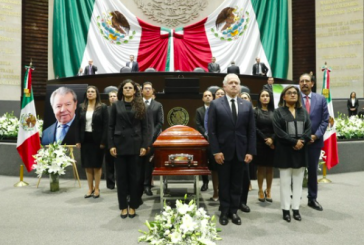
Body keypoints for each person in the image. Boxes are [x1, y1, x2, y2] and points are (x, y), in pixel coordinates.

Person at [208, 73, 256, 226]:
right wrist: (215, 151)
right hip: (222, 152)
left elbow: (251, 131)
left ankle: (234, 211)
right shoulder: (216, 104)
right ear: (225, 86)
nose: (234, 85)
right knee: (224, 183)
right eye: (231, 83)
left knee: (237, 183)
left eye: (236, 83)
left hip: (241, 152)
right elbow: (212, 131)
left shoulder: (247, 105)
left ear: (239, 86)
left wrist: (250, 151)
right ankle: (224, 210)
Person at [108, 79, 148, 219]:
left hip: (136, 146)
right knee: (121, 178)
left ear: (135, 90)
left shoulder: (141, 105)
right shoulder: (115, 105)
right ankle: (123, 206)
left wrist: (145, 146)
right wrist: (111, 145)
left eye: (130, 88)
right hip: (119, 145)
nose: (128, 90)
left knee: (135, 178)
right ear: (122, 90)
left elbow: (146, 128)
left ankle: (133, 206)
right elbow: (110, 127)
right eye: (125, 88)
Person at [272, 85, 311, 222]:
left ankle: (296, 209)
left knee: (298, 182)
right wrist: (294, 142)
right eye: (290, 93)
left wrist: (301, 141)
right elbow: (278, 132)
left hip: (300, 151)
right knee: (285, 182)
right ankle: (285, 210)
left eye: (295, 93)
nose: (293, 95)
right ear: (284, 96)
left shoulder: (303, 111)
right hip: (284, 151)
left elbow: (308, 129)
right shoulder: (278, 112)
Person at [299, 73, 329, 211]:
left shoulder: (321, 99)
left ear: (312, 83)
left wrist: (316, 136)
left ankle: (312, 199)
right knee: (296, 171)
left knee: (312, 171)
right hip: (297, 142)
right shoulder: (293, 97)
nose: (304, 83)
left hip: (314, 142)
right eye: (302, 81)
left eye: (307, 81)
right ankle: (294, 200)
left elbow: (325, 120)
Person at [76, 86, 108, 199]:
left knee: (97, 165)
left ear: (97, 94)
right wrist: (78, 140)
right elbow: (78, 125)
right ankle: (90, 188)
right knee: (87, 165)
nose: (90, 93)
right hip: (85, 139)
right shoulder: (81, 107)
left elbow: (106, 125)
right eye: (88, 92)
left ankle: (97, 188)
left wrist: (104, 141)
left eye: (92, 91)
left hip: (98, 140)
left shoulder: (103, 107)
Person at [141, 81, 164, 196]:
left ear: (153, 91)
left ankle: (147, 185)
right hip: (138, 138)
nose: (147, 90)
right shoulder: (137, 104)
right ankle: (138, 186)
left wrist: (152, 135)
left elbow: (160, 122)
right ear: (141, 91)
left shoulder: (157, 105)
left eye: (149, 88)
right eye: (145, 88)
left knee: (148, 164)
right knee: (138, 163)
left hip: (153, 139)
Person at [252, 90, 275, 203]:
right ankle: (260, 190)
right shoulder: (255, 111)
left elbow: (278, 128)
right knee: (261, 167)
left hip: (272, 143)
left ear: (270, 98)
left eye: (267, 96)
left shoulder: (274, 112)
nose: (265, 97)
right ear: (259, 98)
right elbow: (254, 127)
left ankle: (269, 190)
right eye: (263, 96)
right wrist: (265, 139)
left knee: (270, 168)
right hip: (260, 142)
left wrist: (272, 139)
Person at [204, 88, 225, 201]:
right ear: (215, 96)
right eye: (218, 94)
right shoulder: (211, 107)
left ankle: (224, 192)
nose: (220, 95)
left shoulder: (228, 105)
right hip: (214, 143)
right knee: (215, 170)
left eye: (222, 93)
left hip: (226, 143)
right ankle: (216, 192)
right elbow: (207, 125)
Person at [195, 90, 213, 192]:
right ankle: (205, 182)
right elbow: (198, 124)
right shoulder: (199, 110)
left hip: (215, 140)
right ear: (202, 98)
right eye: (205, 96)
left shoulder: (216, 110)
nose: (207, 97)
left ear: (212, 97)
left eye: (209, 95)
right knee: (203, 162)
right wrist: (206, 133)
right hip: (204, 139)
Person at [240, 92, 256, 193]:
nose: (244, 99)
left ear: (250, 100)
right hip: (240, 142)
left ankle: (248, 183)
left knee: (248, 167)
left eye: (246, 98)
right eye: (242, 98)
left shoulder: (253, 111)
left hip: (250, 142)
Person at [105, 90, 118, 189]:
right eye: (110, 96)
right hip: (108, 138)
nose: (112, 97)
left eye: (114, 96)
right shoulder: (105, 109)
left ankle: (120, 182)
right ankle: (110, 184)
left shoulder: (120, 108)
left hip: (119, 138)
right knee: (109, 163)